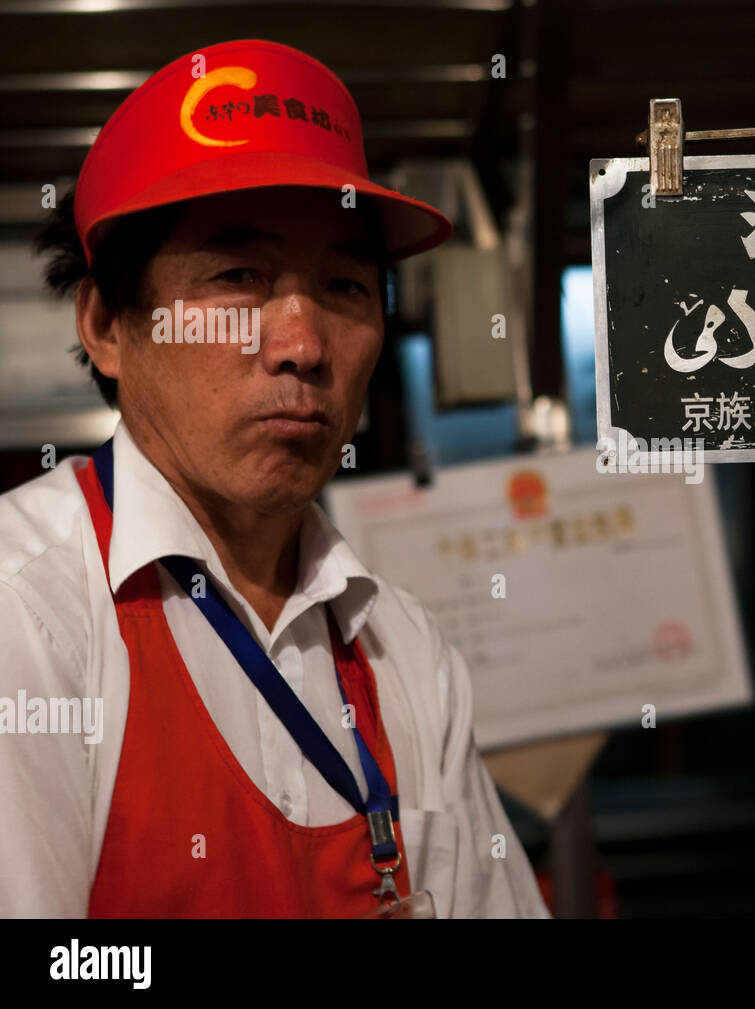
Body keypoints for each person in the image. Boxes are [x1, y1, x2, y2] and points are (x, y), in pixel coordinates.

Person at [0, 38, 550, 918]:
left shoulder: (401, 650)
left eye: (343, 284)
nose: (302, 344)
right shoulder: (27, 616)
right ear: (107, 323)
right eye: (238, 277)